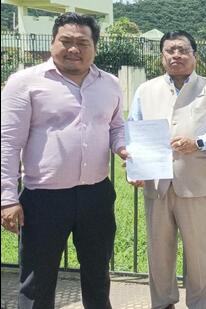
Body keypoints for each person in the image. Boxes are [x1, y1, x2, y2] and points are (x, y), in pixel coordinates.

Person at [1, 12, 127, 308]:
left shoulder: (109, 83)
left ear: (95, 47)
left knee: (98, 276)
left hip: (96, 196)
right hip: (43, 199)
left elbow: (116, 127)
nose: (74, 49)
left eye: (82, 42)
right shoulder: (25, 83)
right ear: (52, 43)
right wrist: (7, 198)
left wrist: (123, 148)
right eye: (66, 41)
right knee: (37, 281)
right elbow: (7, 143)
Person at [127, 30, 206, 309]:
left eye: (183, 50)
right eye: (170, 50)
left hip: (195, 184)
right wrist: (134, 167)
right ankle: (162, 303)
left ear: (194, 55)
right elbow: (134, 132)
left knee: (199, 255)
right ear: (162, 57)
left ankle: (199, 304)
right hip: (156, 185)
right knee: (158, 253)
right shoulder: (145, 91)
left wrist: (198, 142)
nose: (176, 55)